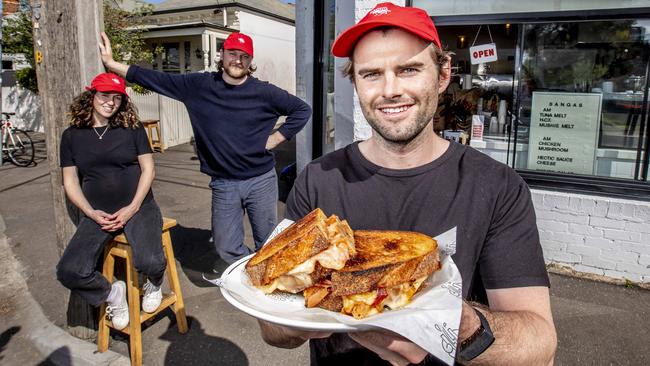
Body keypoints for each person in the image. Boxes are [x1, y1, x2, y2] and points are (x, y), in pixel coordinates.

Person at [258, 3, 557, 365]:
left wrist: (454, 326)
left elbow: (539, 346)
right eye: (371, 74)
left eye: (409, 69)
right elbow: (271, 333)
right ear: (355, 83)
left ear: (443, 74)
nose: (390, 90)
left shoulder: (497, 187)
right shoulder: (317, 180)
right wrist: (296, 316)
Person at [99, 31, 311, 267]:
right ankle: (251, 273)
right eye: (232, 53)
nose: (237, 60)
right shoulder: (199, 86)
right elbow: (155, 79)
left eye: (244, 56)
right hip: (224, 183)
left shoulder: (265, 92)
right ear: (222, 54)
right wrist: (111, 64)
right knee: (225, 246)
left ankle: (264, 283)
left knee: (269, 242)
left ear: (250, 61)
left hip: (260, 180)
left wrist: (276, 138)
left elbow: (302, 110)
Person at [56, 73, 166, 330]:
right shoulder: (71, 136)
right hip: (98, 213)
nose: (111, 102)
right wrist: (90, 212)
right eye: (105, 95)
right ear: (91, 95)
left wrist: (133, 207)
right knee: (69, 270)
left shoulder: (132, 128)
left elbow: (148, 169)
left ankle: (155, 282)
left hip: (138, 206)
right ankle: (113, 295)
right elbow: (70, 181)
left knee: (149, 261)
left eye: (117, 97)